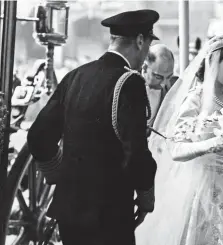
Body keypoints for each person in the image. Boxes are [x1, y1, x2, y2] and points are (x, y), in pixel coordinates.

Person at [27, 9, 159, 245]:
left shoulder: (75, 76)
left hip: (69, 212)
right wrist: (146, 196)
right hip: (110, 214)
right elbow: (137, 154)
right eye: (148, 46)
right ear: (140, 41)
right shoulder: (129, 83)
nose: (145, 54)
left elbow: (38, 135)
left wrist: (58, 172)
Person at [135, 35, 223, 245]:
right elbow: (176, 149)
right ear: (213, 63)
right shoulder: (195, 99)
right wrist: (212, 144)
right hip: (202, 189)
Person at [142, 44, 174, 128]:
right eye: (158, 77)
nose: (164, 83)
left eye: (169, 77)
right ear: (144, 68)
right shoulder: (127, 87)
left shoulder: (172, 88)